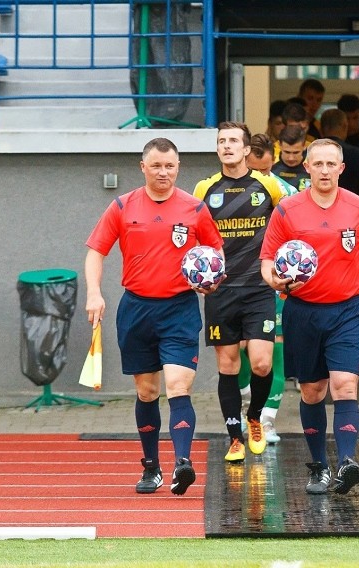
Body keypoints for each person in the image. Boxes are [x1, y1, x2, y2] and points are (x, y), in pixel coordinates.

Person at [84, 137, 224, 496]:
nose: (164, 172)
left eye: (170, 166)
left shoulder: (194, 208)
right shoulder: (121, 205)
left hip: (179, 309)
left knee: (179, 386)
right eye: (157, 165)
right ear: (143, 167)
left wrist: (211, 280)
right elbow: (96, 252)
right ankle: (151, 467)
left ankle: (182, 463)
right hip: (137, 310)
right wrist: (95, 293)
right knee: (147, 391)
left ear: (179, 168)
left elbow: (215, 252)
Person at [260, 138, 359, 495]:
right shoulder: (287, 210)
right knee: (313, 390)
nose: (323, 170)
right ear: (307, 168)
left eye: (330, 164)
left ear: (341, 169)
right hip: (302, 311)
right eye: (317, 164)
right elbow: (268, 262)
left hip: (346, 312)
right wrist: (276, 280)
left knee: (345, 386)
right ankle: (319, 465)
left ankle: (347, 461)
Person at [193, 122, 287, 463]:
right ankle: (235, 437)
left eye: (233, 141)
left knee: (262, 363)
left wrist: (283, 265)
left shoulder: (268, 185)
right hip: (221, 289)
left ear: (247, 149)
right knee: (228, 365)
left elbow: (285, 222)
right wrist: (199, 273)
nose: (227, 146)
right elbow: (194, 234)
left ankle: (255, 418)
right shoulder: (205, 188)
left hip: (259, 287)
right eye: (221, 141)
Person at [243, 133, 299, 443]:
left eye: (265, 171)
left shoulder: (287, 193)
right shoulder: (228, 191)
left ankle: (266, 419)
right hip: (237, 281)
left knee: (272, 349)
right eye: (254, 171)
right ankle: (244, 409)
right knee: (238, 350)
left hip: (274, 281)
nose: (261, 178)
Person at [319, 108, 359, 197]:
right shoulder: (355, 154)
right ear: (345, 126)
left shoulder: (311, 153)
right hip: (350, 206)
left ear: (320, 129)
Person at [272, 124, 311, 191]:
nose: (291, 158)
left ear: (304, 146)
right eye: (287, 152)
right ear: (279, 145)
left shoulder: (313, 166)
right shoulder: (270, 165)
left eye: (296, 152)